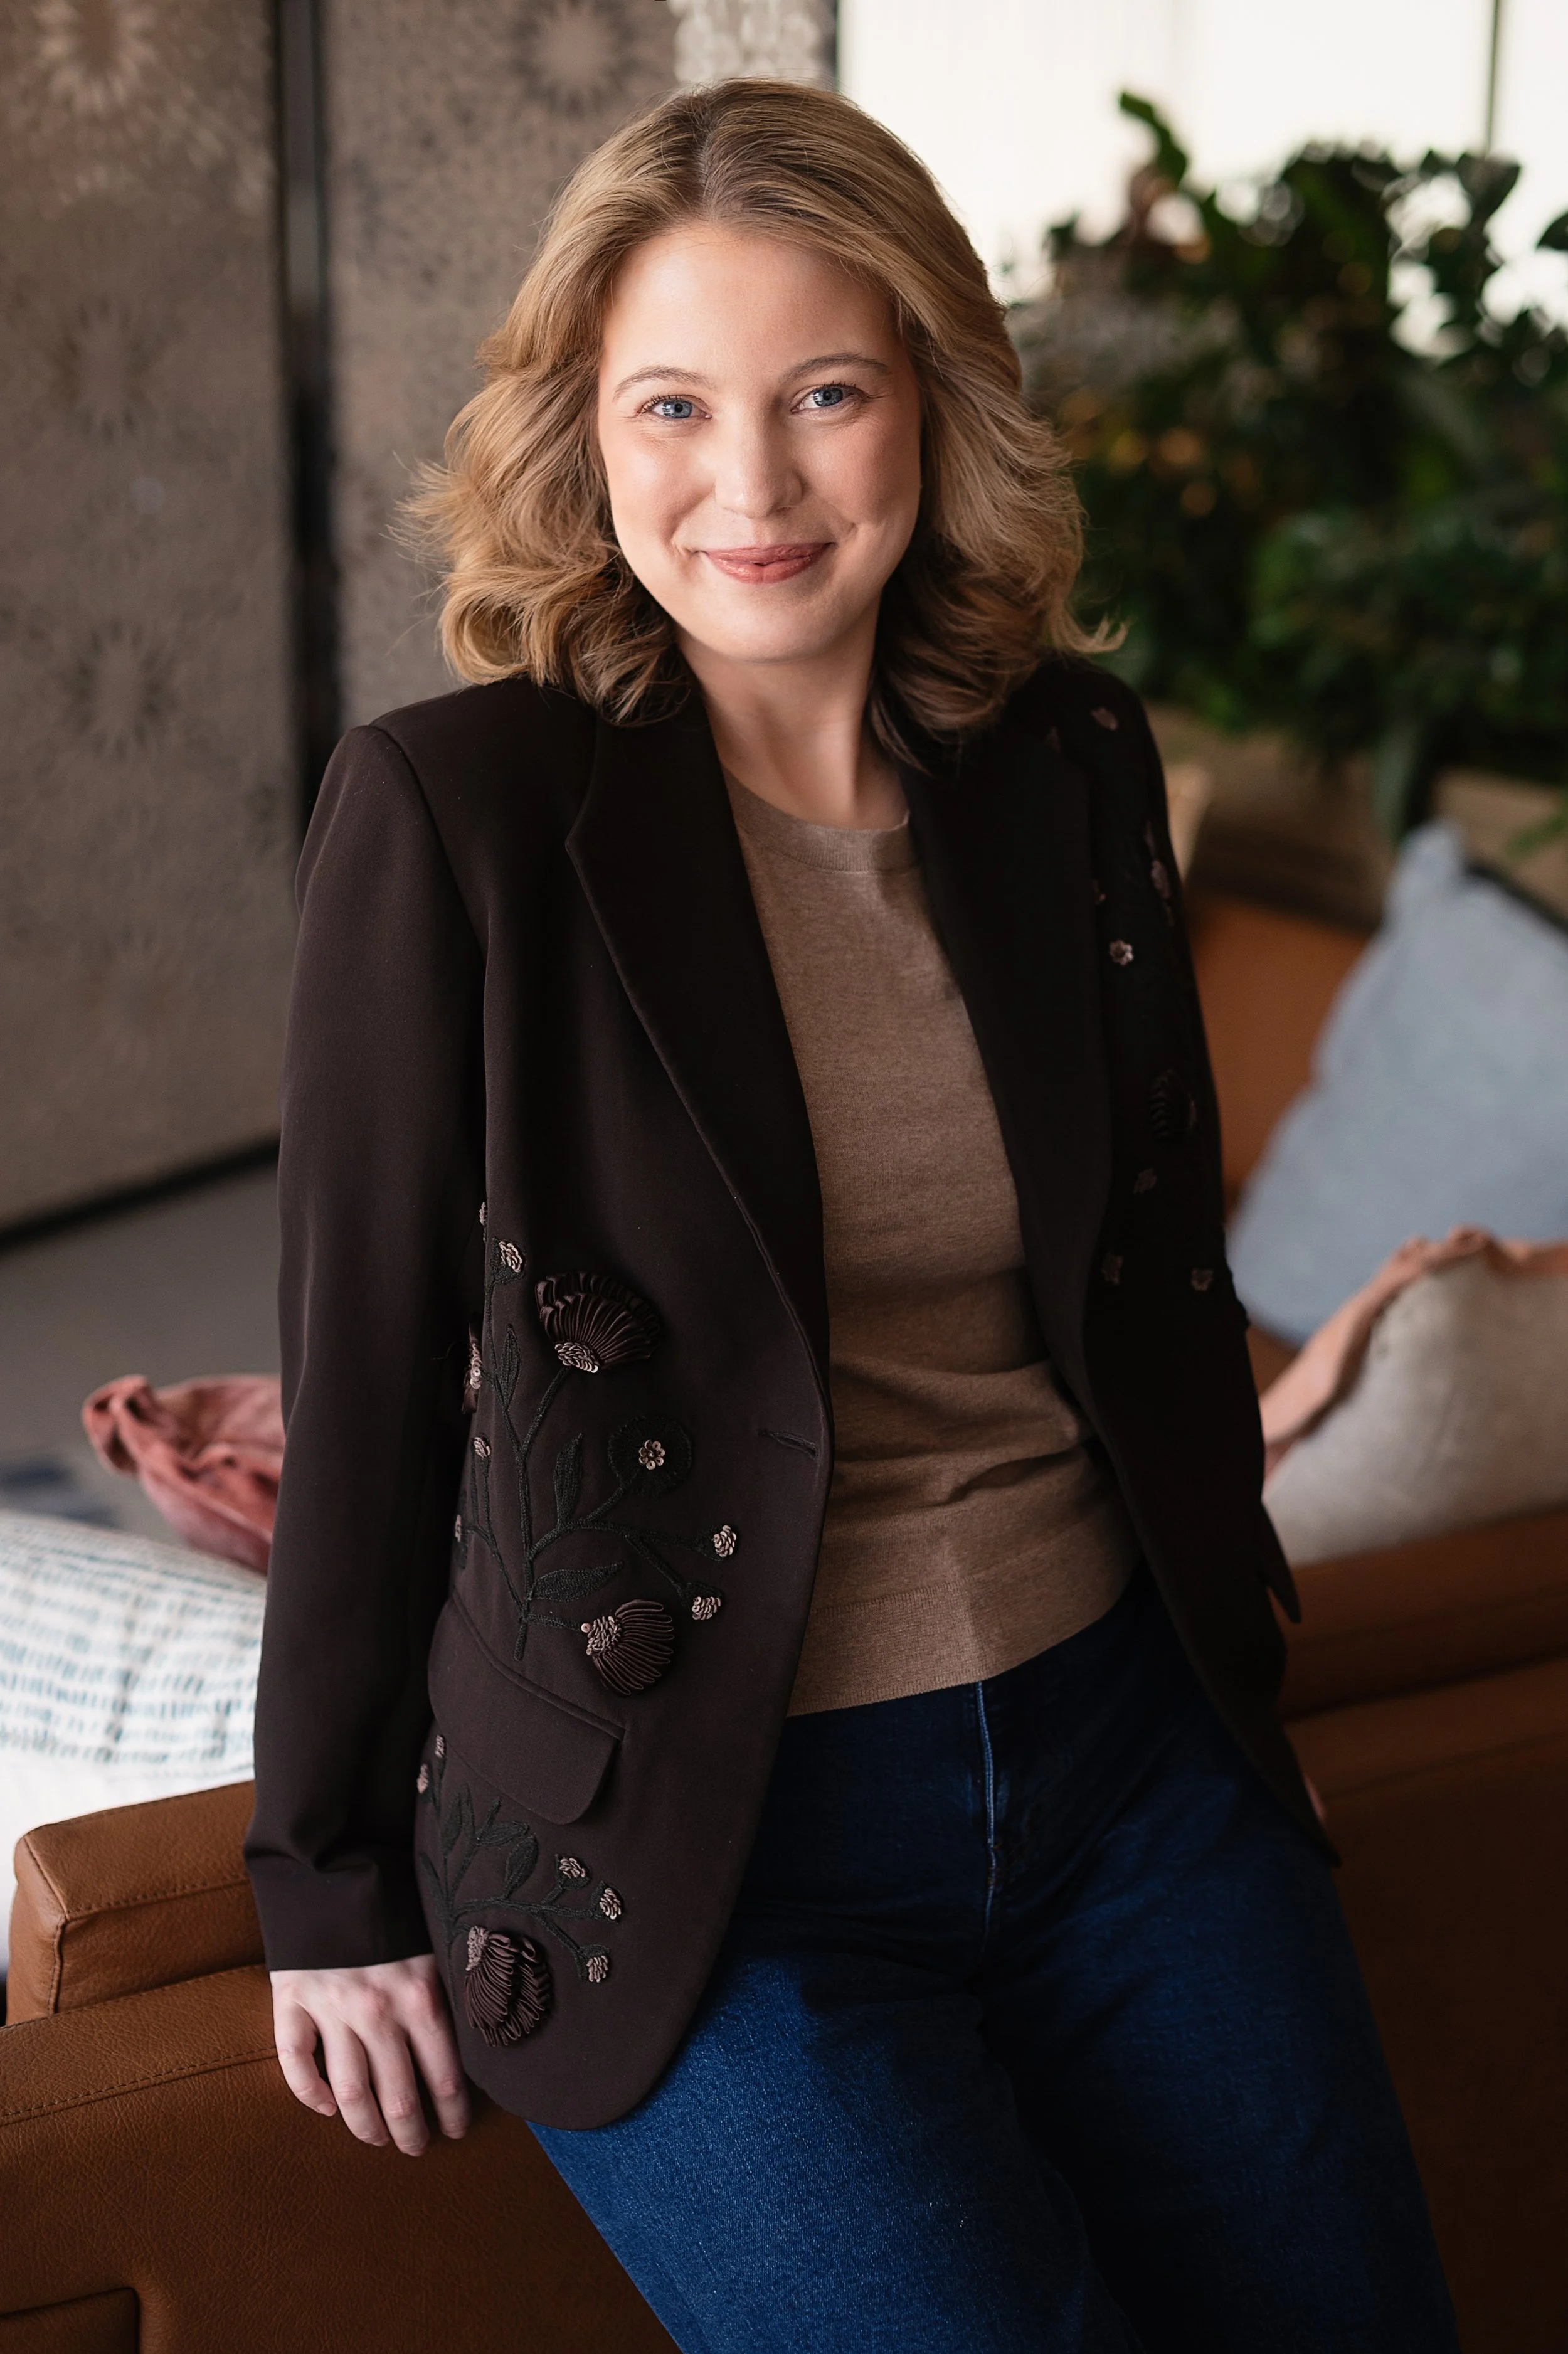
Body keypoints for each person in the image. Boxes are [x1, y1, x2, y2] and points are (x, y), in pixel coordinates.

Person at [246, 77, 1458, 2354]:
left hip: (1121, 1770)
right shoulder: (454, 813)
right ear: (580, 437)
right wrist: (320, 1882)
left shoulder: (1067, 763)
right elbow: (372, 1367)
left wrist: (1236, 1681)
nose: (751, 486)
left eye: (825, 395)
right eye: (672, 406)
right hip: (701, 1848)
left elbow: (1154, 1281)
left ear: (934, 404)